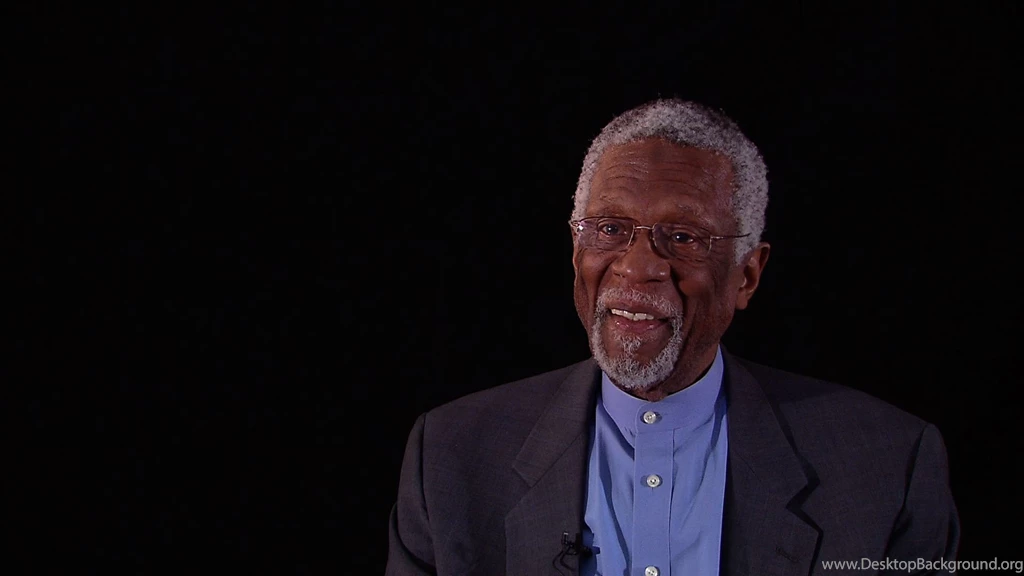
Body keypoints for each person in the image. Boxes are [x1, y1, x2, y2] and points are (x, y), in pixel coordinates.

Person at [385, 98, 960, 576]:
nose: (638, 268)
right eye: (610, 229)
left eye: (683, 237)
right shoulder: (451, 456)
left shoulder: (886, 469)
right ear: (576, 251)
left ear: (747, 275)